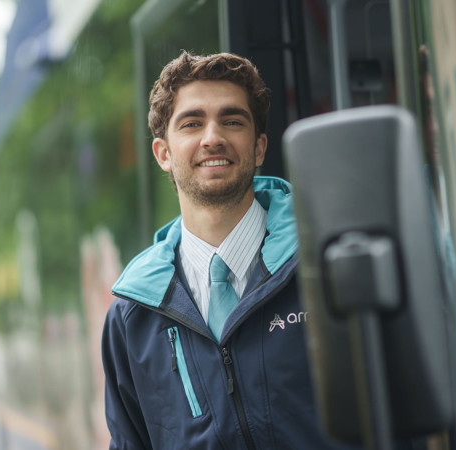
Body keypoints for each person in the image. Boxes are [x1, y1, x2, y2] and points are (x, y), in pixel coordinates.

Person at [101, 51, 359, 449]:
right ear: (163, 154)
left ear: (259, 148)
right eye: (192, 123)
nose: (213, 138)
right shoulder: (131, 317)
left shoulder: (330, 262)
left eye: (232, 121)